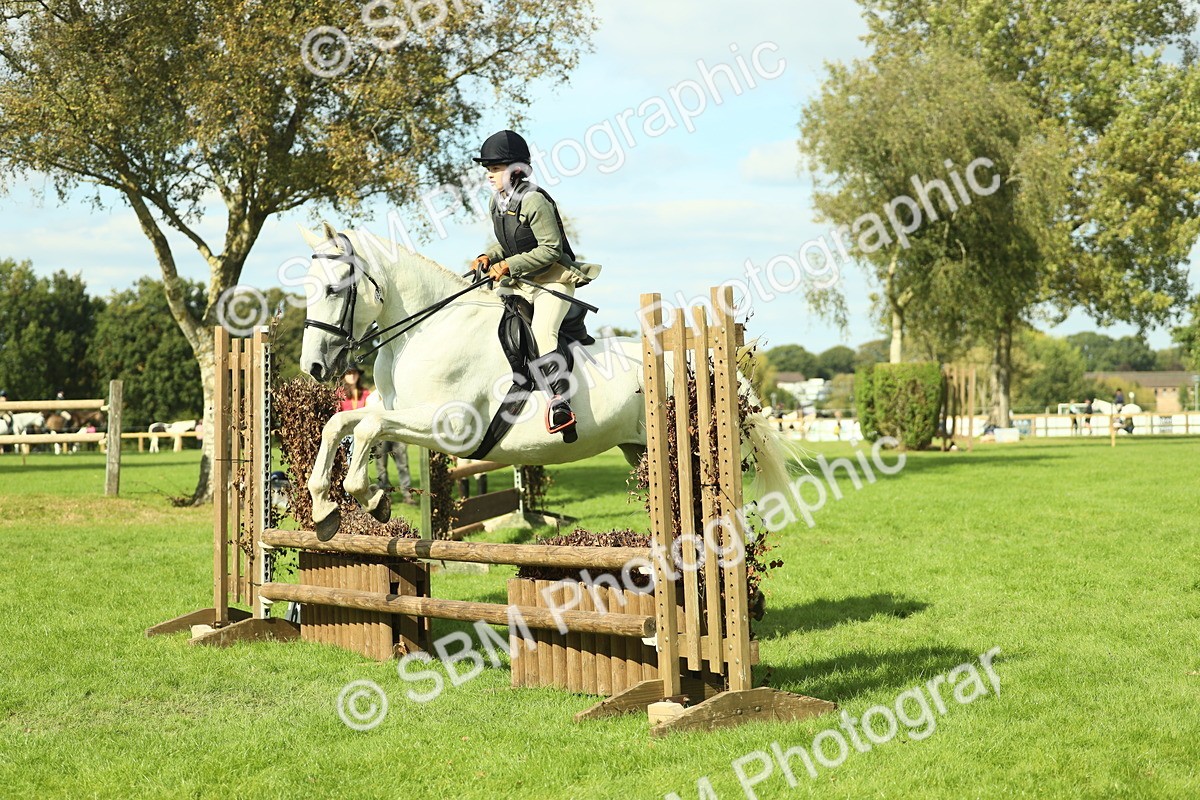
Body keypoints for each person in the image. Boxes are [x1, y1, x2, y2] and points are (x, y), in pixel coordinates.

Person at [469, 129, 602, 439]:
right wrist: (487, 256)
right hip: (521, 283)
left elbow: (550, 249)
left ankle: (561, 402)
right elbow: (509, 244)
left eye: (496, 169)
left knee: (543, 331)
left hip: (552, 280)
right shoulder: (497, 202)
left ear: (516, 170)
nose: (489, 175)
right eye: (488, 169)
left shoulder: (534, 200)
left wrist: (507, 265)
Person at [366, 390, 412, 502]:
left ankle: (408, 495)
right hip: (381, 436)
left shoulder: (397, 394)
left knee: (403, 465)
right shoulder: (371, 398)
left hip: (397, 433)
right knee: (381, 467)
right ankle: (385, 495)